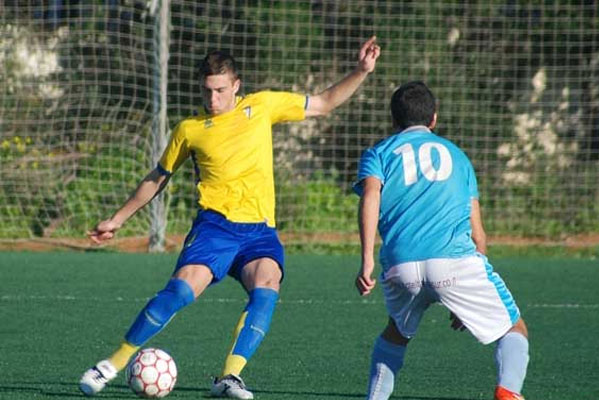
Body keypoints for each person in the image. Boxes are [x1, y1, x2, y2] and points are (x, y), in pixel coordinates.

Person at [78, 37, 380, 399]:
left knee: (267, 287)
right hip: (215, 228)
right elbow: (158, 177)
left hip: (259, 232)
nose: (213, 99)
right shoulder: (189, 129)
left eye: (220, 90)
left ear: (236, 85)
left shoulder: (263, 106)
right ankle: (111, 364)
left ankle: (230, 377)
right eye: (206, 92)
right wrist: (117, 219)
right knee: (180, 290)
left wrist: (361, 71)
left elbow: (324, 103)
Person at [353, 81, 529, 400]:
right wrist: (461, 293)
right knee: (513, 329)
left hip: (401, 267)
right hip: (454, 263)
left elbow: (370, 196)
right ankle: (508, 392)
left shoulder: (378, 153)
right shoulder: (458, 158)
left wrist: (366, 260)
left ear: (393, 121)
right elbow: (478, 234)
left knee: (395, 334)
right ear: (434, 118)